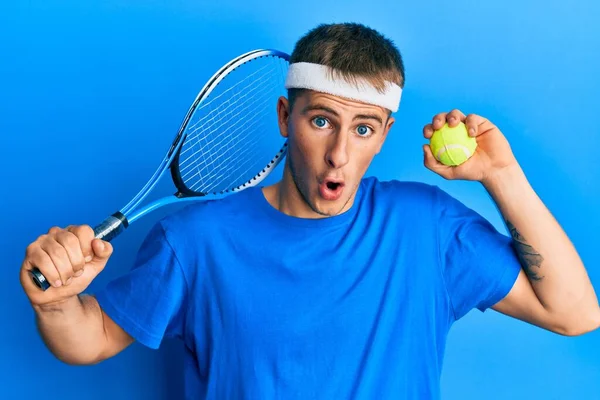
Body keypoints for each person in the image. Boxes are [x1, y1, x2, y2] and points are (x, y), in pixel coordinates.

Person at [20, 22, 600, 399]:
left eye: (364, 128)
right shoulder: (195, 240)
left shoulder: (426, 226)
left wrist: (501, 175)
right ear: (284, 118)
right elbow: (89, 340)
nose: (340, 155)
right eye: (320, 120)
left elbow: (575, 314)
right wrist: (57, 303)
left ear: (383, 134)